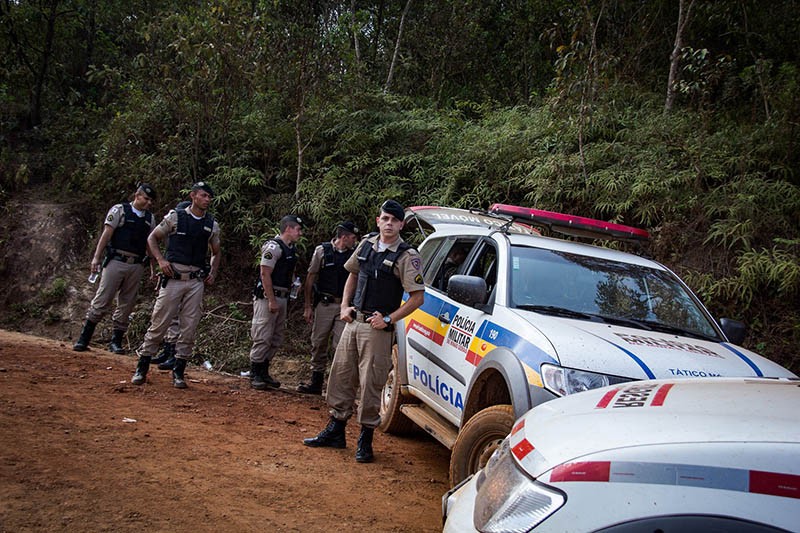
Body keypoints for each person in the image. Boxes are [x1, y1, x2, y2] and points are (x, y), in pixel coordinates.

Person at [303, 200, 424, 463]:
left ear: (402, 224)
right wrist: (345, 306)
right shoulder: (367, 244)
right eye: (385, 218)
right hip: (354, 321)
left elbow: (417, 298)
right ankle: (336, 430)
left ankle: (365, 439)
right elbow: (353, 275)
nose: (389, 223)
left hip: (376, 328)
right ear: (378, 221)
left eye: (395, 220)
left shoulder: (407, 255)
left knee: (371, 382)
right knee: (341, 376)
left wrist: (390, 319)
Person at [131, 182, 221, 389]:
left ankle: (178, 372)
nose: (207, 199)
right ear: (193, 196)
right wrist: (161, 260)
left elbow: (217, 251)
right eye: (203, 195)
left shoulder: (211, 224)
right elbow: (152, 238)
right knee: (159, 323)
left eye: (209, 197)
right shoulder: (176, 217)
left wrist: (213, 272)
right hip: (173, 277)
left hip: (196, 280)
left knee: (189, 327)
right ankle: (142, 367)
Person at [73, 184, 157, 353]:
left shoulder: (149, 218)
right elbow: (107, 234)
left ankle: (116, 342)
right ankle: (84, 338)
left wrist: (153, 265)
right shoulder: (120, 210)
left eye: (151, 200)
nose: (148, 203)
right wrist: (96, 257)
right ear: (137, 196)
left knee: (127, 304)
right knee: (102, 299)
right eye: (146, 199)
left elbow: (150, 242)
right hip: (116, 261)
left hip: (136, 264)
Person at [297, 221, 360, 395]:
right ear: (344, 237)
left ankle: (336, 387)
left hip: (344, 306)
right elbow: (310, 278)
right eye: (353, 238)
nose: (355, 241)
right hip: (324, 304)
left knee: (340, 347)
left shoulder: (354, 254)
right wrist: (308, 306)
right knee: (318, 342)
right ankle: (316, 382)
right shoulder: (322, 251)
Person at [249, 215, 305, 390]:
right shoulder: (273, 247)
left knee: (276, 336)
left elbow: (290, 270)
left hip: (283, 296)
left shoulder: (292, 249)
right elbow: (264, 274)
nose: (300, 233)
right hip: (268, 297)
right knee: (263, 335)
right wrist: (271, 299)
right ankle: (255, 373)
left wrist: (296, 283)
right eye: (298, 229)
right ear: (288, 228)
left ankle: (264, 371)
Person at [151, 200, 191, 370]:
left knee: (177, 316)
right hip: (171, 274)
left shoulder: (190, 233)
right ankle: (167, 350)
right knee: (168, 315)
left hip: (183, 278)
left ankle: (173, 353)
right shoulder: (174, 233)